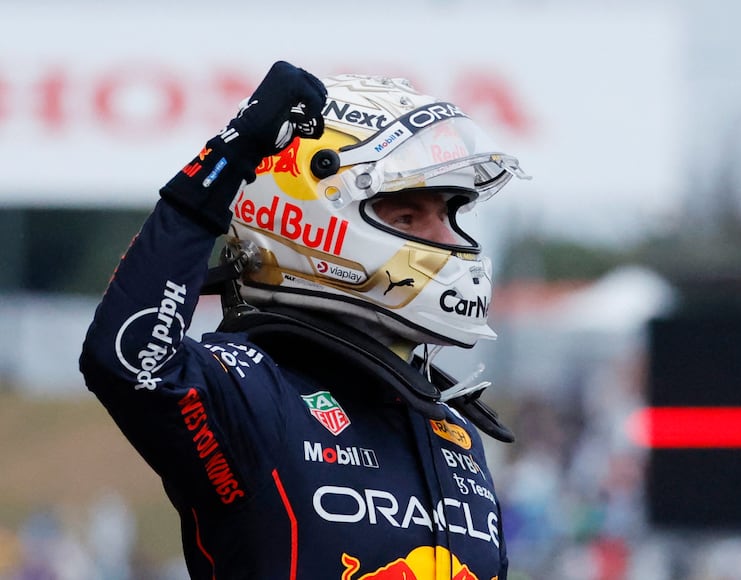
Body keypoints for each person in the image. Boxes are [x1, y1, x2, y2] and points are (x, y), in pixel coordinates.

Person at [80, 60, 530, 579]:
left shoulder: (456, 432)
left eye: (451, 212)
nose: (451, 241)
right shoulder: (254, 394)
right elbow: (128, 360)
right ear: (312, 223)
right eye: (407, 215)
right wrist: (226, 160)